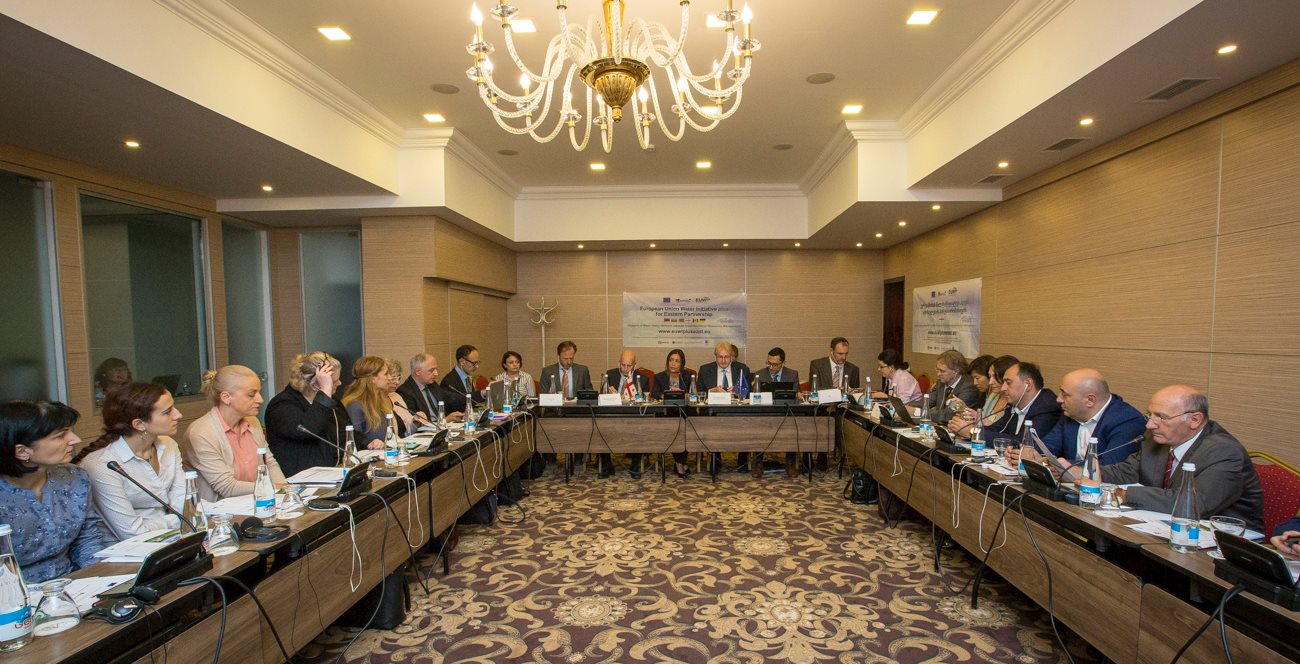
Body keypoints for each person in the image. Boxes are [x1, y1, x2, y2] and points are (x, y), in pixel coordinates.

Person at [1074, 385, 1264, 532]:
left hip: (1224, 541)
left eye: (1161, 417)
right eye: (1150, 414)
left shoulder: (1224, 451)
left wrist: (1124, 494)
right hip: (1164, 525)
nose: (1150, 424)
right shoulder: (1157, 438)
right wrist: (1080, 473)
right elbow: (1127, 471)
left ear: (1195, 420)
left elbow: (1194, 504)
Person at [0, 400, 111, 583]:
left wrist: (102, 582)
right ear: (22, 451)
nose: (75, 439)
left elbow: (87, 539)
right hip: (17, 593)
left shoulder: (75, 477)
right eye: (60, 436)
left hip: (75, 583)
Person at [76, 383, 186, 540]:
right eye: (167, 412)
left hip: (173, 538)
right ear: (139, 424)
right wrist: (177, 520)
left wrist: (181, 518)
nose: (178, 415)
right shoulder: (102, 466)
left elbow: (184, 504)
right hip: (126, 549)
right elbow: (132, 532)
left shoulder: (168, 444)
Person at [183, 365, 285, 501]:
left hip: (258, 502)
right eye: (251, 394)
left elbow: (269, 463)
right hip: (220, 511)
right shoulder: (201, 433)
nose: (260, 399)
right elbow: (227, 487)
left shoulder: (253, 422)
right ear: (226, 397)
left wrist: (285, 491)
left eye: (259, 393)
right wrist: (274, 488)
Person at [263, 352, 350, 477]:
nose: (340, 383)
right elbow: (308, 429)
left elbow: (344, 431)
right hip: (301, 479)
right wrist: (325, 392)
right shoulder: (282, 405)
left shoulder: (330, 401)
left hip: (331, 473)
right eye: (334, 381)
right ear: (314, 383)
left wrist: (366, 443)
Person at [1039, 369, 1147, 466]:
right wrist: (1036, 455)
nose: (1058, 399)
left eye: (1065, 395)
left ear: (1090, 400)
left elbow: (1109, 466)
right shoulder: (1071, 412)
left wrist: (1064, 465)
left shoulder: (1127, 421)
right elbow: (1049, 446)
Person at [696, 341, 753, 472]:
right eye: (720, 357)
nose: (723, 360)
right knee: (710, 421)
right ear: (715, 356)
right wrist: (712, 390)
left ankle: (743, 460)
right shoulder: (705, 370)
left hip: (736, 410)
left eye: (726, 357)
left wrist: (738, 392)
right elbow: (698, 393)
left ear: (732, 357)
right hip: (713, 411)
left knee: (747, 420)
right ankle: (716, 460)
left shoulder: (742, 369)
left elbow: (749, 392)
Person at [808, 337, 861, 471]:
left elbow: (854, 394)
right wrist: (838, 391)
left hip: (843, 409)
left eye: (846, 354)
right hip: (822, 407)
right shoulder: (817, 365)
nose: (843, 357)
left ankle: (845, 455)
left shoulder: (853, 369)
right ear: (831, 351)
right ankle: (822, 455)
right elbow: (815, 388)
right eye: (840, 354)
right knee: (824, 420)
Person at [752, 347, 802, 477]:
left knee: (792, 426)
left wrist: (797, 394)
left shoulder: (792, 374)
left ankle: (790, 463)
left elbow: (796, 395)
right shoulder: (760, 374)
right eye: (768, 363)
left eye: (774, 364)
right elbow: (754, 396)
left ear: (783, 363)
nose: (770, 366)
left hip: (785, 412)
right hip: (765, 413)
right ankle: (758, 464)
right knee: (758, 425)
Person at [602, 350, 650, 479]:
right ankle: (607, 466)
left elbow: (645, 402)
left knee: (640, 428)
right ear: (619, 363)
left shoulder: (642, 379)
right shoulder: (610, 375)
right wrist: (609, 394)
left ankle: (634, 466)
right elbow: (602, 397)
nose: (625, 368)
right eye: (623, 365)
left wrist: (631, 398)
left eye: (629, 366)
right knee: (599, 426)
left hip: (633, 416)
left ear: (634, 365)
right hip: (612, 414)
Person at [991, 361, 1063, 444]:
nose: (1003, 388)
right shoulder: (1013, 405)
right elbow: (995, 428)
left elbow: (1022, 442)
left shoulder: (1048, 407)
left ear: (1028, 385)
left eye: (1008, 383)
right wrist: (978, 430)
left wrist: (980, 433)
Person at [341, 355, 396, 449]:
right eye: (386, 374)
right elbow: (354, 442)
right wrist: (371, 444)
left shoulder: (380, 401)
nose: (390, 378)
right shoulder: (354, 405)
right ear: (373, 378)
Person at [652, 349, 692, 477]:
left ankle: (680, 462)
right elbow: (654, 393)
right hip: (666, 413)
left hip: (684, 412)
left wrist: (683, 394)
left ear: (682, 364)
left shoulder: (687, 377)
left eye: (677, 361)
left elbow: (693, 395)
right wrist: (666, 395)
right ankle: (680, 463)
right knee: (675, 426)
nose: (673, 364)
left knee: (687, 426)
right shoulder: (659, 377)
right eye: (671, 360)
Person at [396, 353, 462, 424]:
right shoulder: (405, 392)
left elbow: (449, 399)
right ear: (418, 372)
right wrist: (445, 420)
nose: (436, 373)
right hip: (427, 429)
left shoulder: (432, 384)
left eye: (436, 369)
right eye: (431, 370)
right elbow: (417, 424)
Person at [925, 350, 983, 422]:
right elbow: (928, 401)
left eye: (942, 371)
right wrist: (911, 408)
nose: (938, 374)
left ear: (955, 371)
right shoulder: (941, 382)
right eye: (937, 370)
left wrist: (919, 412)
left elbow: (948, 415)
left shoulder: (969, 388)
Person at [947, 355, 998, 438]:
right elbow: (975, 420)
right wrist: (959, 423)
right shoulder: (984, 395)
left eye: (977, 378)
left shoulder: (1001, 398)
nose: (975, 383)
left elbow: (993, 427)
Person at [440, 344, 488, 414]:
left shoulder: (467, 377)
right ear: (462, 362)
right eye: (474, 363)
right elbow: (454, 406)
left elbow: (472, 401)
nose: (477, 366)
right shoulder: (449, 382)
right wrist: (481, 393)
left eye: (478, 362)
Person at [386, 358, 418, 436]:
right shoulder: (379, 400)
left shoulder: (397, 396)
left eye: (399, 377)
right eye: (393, 378)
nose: (397, 382)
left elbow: (408, 431)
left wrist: (415, 421)